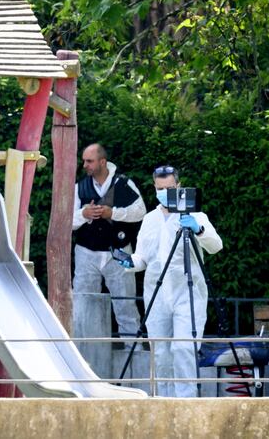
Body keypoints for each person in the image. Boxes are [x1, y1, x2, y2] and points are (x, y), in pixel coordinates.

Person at [116, 165, 222, 397]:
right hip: (156, 293)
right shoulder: (150, 219)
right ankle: (162, 400)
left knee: (184, 347)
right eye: (160, 188)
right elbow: (143, 258)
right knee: (160, 352)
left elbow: (216, 246)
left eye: (170, 188)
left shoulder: (195, 215)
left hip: (188, 291)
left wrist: (198, 229)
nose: (165, 193)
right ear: (155, 187)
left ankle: (186, 400)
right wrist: (128, 262)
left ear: (179, 186)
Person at [72, 143, 146, 342]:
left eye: (89, 161)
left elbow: (141, 212)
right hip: (86, 252)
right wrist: (84, 214)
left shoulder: (124, 183)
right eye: (84, 161)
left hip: (120, 251)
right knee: (83, 303)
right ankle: (83, 351)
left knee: (126, 305)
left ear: (102, 162)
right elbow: (67, 222)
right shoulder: (79, 187)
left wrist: (113, 213)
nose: (85, 165)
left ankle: (133, 351)